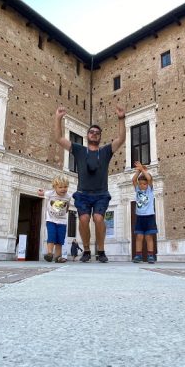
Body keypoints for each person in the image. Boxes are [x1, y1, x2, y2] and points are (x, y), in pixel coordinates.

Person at [54, 104, 126, 263]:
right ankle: (86, 250)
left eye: (97, 133)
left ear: (100, 137)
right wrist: (58, 118)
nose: (94, 134)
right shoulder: (79, 150)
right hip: (83, 194)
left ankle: (101, 251)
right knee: (84, 219)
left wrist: (121, 118)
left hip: (101, 194)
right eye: (91, 132)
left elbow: (121, 139)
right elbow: (58, 139)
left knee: (99, 219)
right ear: (87, 136)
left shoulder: (106, 151)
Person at [37, 175, 72, 263]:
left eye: (65, 187)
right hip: (51, 220)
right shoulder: (50, 193)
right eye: (60, 187)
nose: (63, 189)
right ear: (55, 187)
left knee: (60, 240)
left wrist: (65, 211)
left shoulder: (68, 196)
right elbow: (42, 193)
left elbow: (67, 206)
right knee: (52, 236)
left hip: (62, 221)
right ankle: (49, 254)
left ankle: (58, 257)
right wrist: (40, 192)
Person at [132, 161, 158, 263]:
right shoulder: (138, 189)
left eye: (145, 184)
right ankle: (138, 255)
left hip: (149, 216)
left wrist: (143, 170)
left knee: (148, 236)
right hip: (140, 217)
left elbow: (150, 178)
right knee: (139, 236)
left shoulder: (150, 190)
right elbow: (133, 180)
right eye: (141, 184)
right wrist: (138, 171)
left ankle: (150, 255)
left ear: (148, 184)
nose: (142, 185)